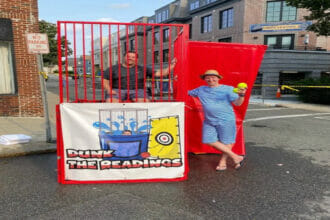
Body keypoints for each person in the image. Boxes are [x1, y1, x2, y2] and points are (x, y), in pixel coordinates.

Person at [188, 69, 247, 171]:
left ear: (218, 78)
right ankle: (236, 157)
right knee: (208, 140)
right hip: (209, 121)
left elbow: (238, 103)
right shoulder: (200, 89)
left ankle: (223, 161)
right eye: (208, 78)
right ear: (205, 79)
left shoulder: (228, 89)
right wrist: (176, 81)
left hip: (226, 120)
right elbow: (186, 92)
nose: (211, 79)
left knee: (227, 141)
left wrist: (242, 95)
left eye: (213, 77)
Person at [103, 51, 177, 102]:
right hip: (117, 90)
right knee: (111, 104)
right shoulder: (113, 68)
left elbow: (161, 73)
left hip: (138, 90)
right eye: (128, 56)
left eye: (133, 57)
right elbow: (105, 80)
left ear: (136, 59)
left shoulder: (142, 68)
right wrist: (109, 89)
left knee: (145, 105)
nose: (130, 58)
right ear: (124, 57)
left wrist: (172, 65)